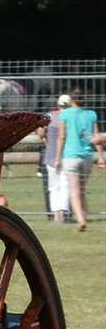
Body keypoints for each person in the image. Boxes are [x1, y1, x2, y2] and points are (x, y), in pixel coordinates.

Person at [55, 93, 103, 233]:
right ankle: (84, 216)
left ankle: (80, 219)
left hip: (71, 155)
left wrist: (57, 157)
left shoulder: (65, 114)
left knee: (74, 190)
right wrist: (101, 157)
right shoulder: (91, 114)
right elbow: (96, 138)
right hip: (87, 156)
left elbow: (62, 136)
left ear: (72, 100)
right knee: (82, 189)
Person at [41, 94, 72, 224]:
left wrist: (46, 141)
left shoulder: (50, 117)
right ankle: (63, 213)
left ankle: (55, 214)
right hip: (67, 155)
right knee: (65, 185)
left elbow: (41, 132)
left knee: (53, 186)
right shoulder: (71, 117)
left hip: (50, 154)